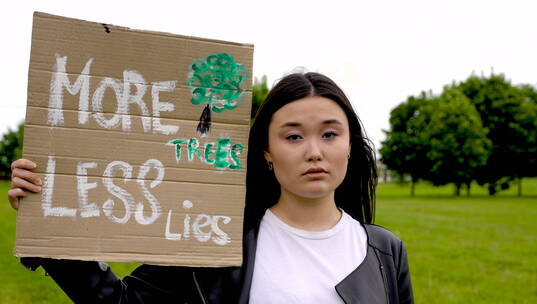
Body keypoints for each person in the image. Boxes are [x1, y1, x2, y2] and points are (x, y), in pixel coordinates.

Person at [8, 72, 414, 303]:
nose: (314, 152)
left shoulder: (384, 250)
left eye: (329, 134)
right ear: (267, 152)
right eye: (293, 137)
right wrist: (48, 226)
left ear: (349, 145)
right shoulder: (215, 234)